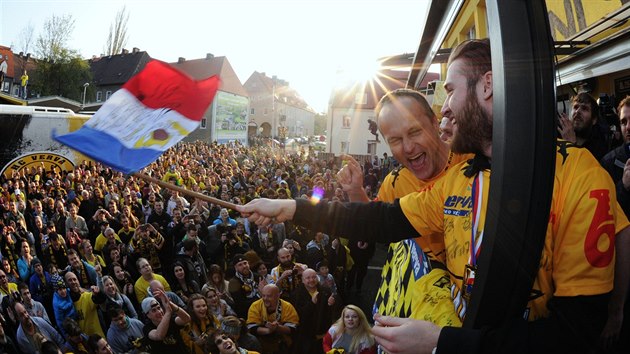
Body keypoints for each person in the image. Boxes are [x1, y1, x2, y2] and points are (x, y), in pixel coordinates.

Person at [238, 38, 630, 354]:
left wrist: (442, 343)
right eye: (394, 140)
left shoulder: (578, 174)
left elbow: (574, 334)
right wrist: (288, 208)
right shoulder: (461, 177)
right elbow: (382, 221)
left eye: (450, 91)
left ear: (487, 86)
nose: (447, 108)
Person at [337, 88, 469, 324]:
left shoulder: (471, 160)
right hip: (434, 304)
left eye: (415, 131)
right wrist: (355, 191)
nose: (408, 148)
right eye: (395, 140)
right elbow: (373, 224)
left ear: (434, 122)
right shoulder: (395, 183)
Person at [291, 268, 338, 354]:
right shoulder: (296, 294)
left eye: (314, 277)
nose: (311, 280)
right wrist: (312, 303)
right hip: (304, 334)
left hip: (322, 332)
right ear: (303, 280)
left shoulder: (325, 290)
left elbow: (330, 314)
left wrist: (331, 304)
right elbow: (299, 315)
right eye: (308, 278)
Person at [246, 284, 299, 354]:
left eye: (269, 296)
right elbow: (252, 328)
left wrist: (277, 327)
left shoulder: (287, 306)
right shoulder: (255, 306)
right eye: (263, 295)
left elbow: (292, 328)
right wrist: (268, 330)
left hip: (282, 340)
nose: (265, 298)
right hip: (261, 340)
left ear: (278, 296)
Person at [601, 95, 630, 218]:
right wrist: (623, 186)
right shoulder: (608, 162)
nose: (628, 127)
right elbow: (603, 211)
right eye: (623, 122)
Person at [558, 92, 610, 161]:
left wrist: (571, 145)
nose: (578, 111)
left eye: (584, 108)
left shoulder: (599, 149)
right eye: (575, 107)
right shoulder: (558, 136)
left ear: (594, 120)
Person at [141, 289, 191, 353]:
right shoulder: (147, 328)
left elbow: (187, 319)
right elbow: (159, 335)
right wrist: (168, 312)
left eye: (159, 308)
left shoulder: (171, 319)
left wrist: (170, 304)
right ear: (147, 315)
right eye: (153, 310)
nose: (159, 312)